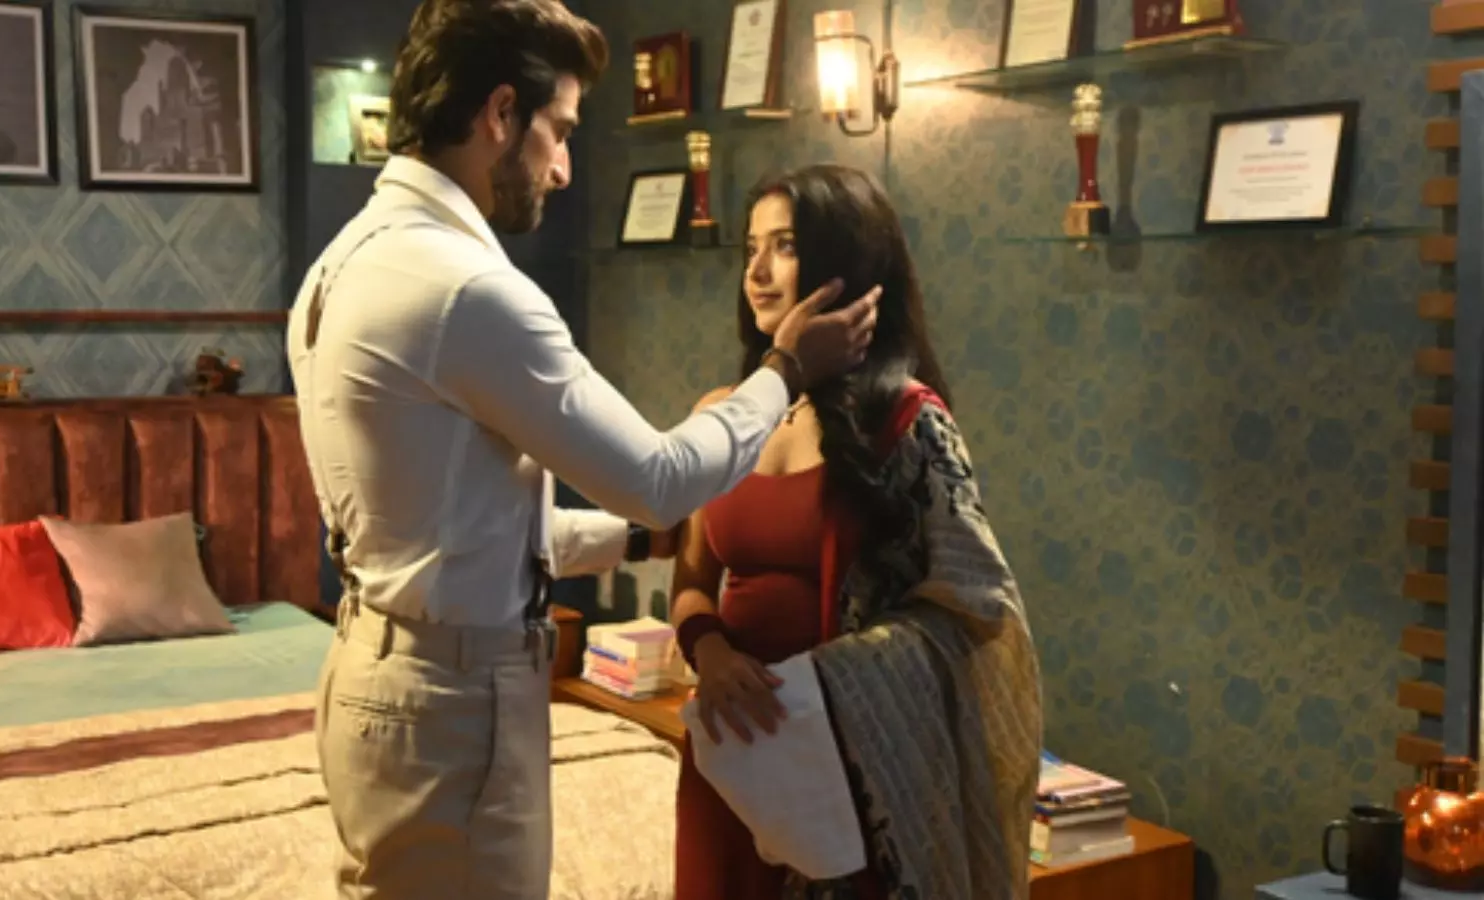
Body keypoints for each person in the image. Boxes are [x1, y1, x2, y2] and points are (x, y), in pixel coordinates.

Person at [283, 2, 880, 898]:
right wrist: (787, 368)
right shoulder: (468, 291)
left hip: (376, 678)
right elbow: (659, 479)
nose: (563, 167)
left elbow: (458, 534)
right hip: (455, 704)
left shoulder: (339, 268)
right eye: (559, 131)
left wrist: (638, 544)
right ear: (500, 114)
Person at [670, 164, 1044, 900]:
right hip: (733, 747)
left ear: (842, 263)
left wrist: (836, 679)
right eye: (750, 247)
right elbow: (690, 583)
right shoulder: (723, 413)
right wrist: (709, 652)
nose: (757, 271)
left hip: (854, 759)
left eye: (784, 246)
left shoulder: (905, 421)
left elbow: (978, 608)